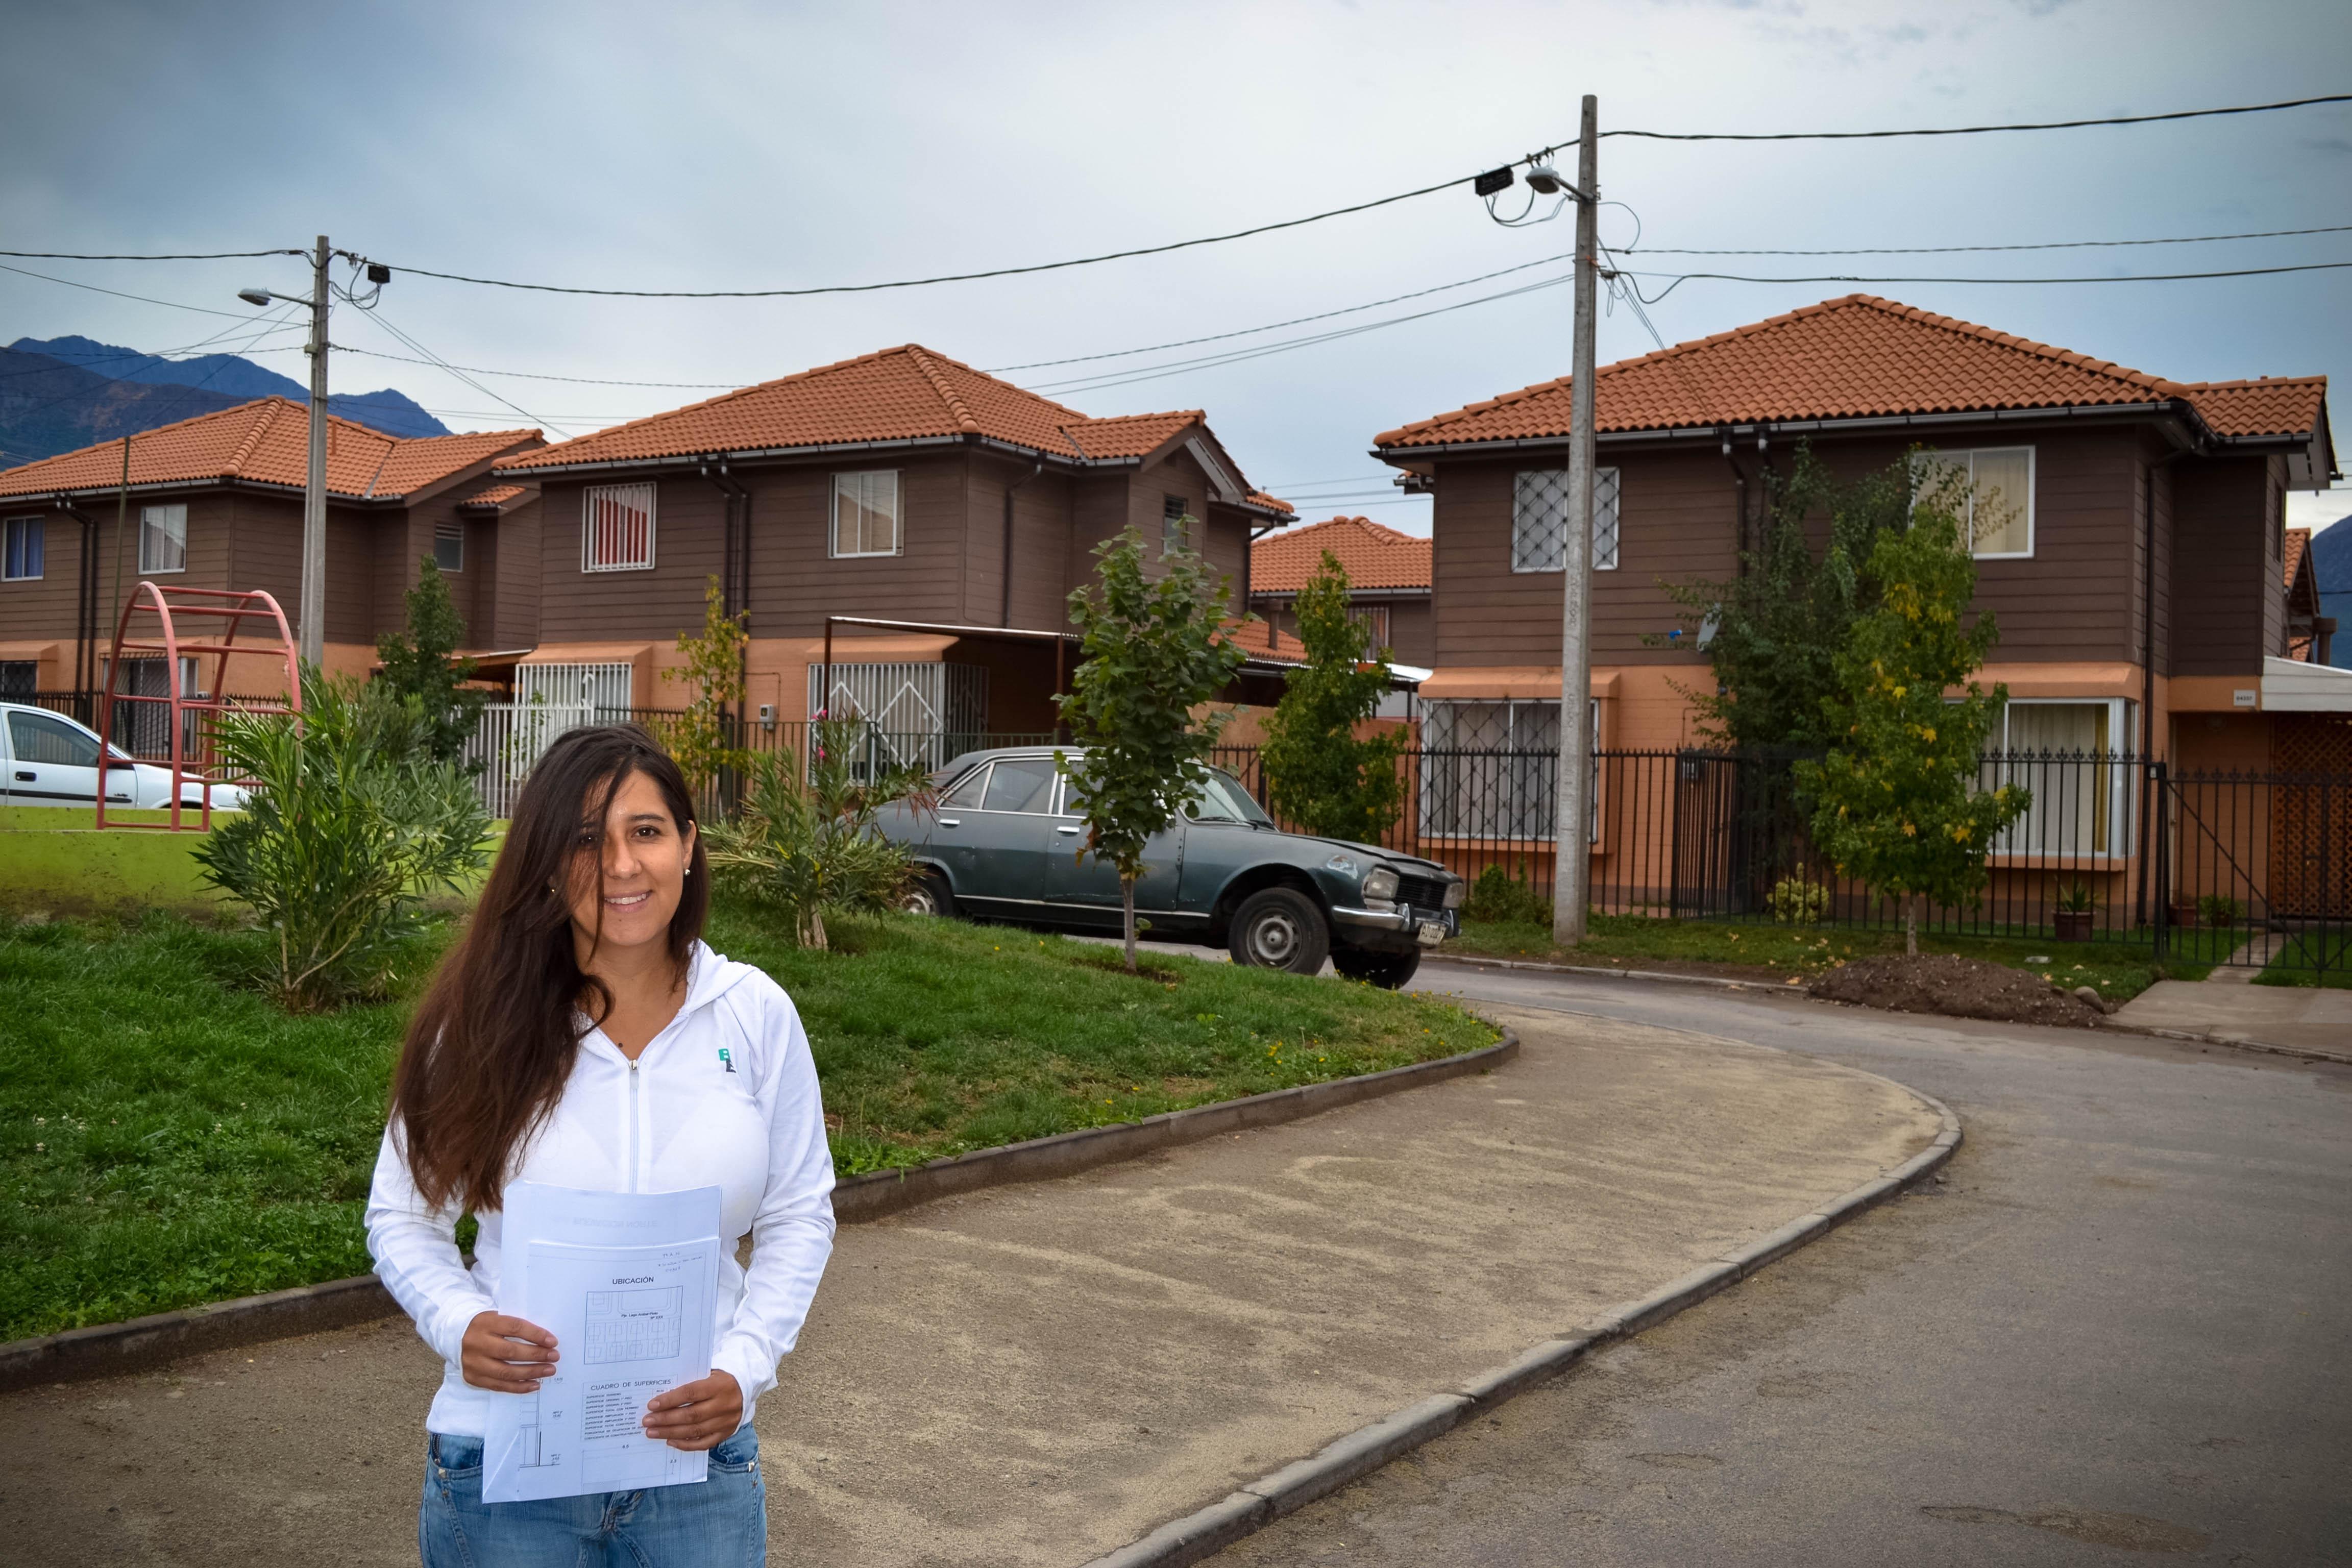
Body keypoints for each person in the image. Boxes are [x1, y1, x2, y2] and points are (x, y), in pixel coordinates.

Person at [366, 725, 835, 1567]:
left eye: (645, 832)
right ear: (547, 861)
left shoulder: (755, 1014)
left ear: (689, 846)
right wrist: (459, 1322)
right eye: (586, 840)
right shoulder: (480, 1022)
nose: (620, 866)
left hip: (698, 1469)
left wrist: (744, 1367)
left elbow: (801, 1214)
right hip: (506, 1467)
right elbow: (402, 1218)